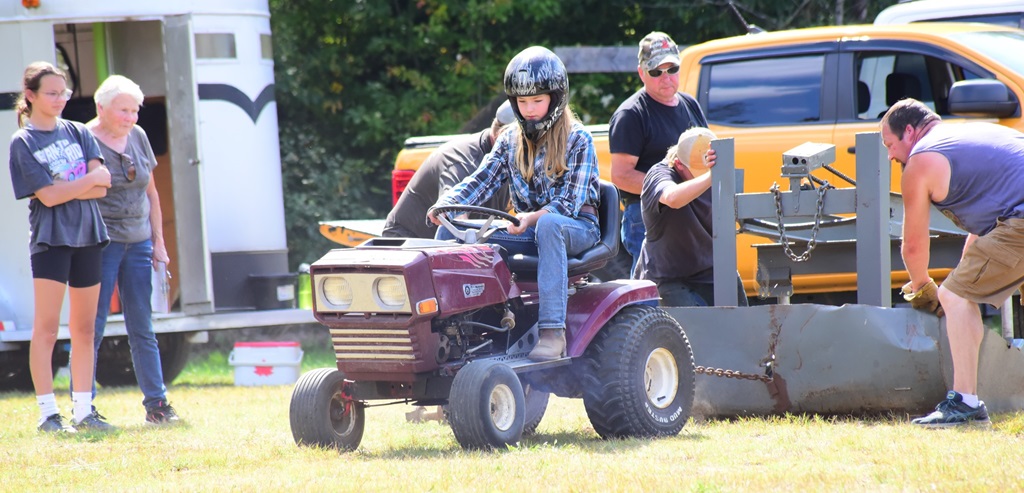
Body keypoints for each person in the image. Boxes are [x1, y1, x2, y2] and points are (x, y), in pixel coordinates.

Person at [429, 46, 600, 361]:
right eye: (523, 102)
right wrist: (447, 205)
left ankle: (553, 332)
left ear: (556, 98)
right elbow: (480, 181)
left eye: (537, 100)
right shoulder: (509, 140)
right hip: (525, 228)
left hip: (575, 228)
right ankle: (445, 325)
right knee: (454, 232)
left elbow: (570, 203)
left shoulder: (579, 140)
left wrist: (533, 218)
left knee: (548, 224)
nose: (530, 109)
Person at [881, 98, 1024, 428]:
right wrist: (962, 277)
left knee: (955, 297)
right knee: (960, 291)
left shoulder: (920, 161)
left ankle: (964, 405)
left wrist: (923, 288)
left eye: (890, 144)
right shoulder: (969, 136)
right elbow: (986, 228)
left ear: (909, 131)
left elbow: (914, 248)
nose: (890, 156)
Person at [8, 61, 113, 433]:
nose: (59, 100)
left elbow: (104, 185)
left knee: (84, 329)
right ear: (31, 97)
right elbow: (49, 198)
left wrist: (79, 184)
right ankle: (47, 414)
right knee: (47, 329)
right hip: (51, 240)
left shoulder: (79, 132)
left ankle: (84, 411)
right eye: (51, 94)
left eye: (63, 93)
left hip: (89, 234)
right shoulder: (24, 141)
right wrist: (86, 180)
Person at [85, 75, 180, 425]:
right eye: (123, 110)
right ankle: (85, 406)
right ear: (101, 108)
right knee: (91, 327)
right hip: (102, 244)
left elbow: (151, 194)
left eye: (135, 111)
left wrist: (158, 242)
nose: (131, 118)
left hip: (139, 242)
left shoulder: (138, 136)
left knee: (142, 325)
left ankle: (157, 405)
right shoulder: (84, 139)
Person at [609, 31, 708, 272]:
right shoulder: (631, 114)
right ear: (641, 72)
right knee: (650, 291)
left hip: (690, 212)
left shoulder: (689, 104)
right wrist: (667, 190)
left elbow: (705, 155)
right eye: (656, 72)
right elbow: (621, 176)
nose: (666, 77)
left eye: (671, 69)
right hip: (646, 217)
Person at [634, 128, 747, 307]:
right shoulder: (660, 174)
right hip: (669, 276)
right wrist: (711, 177)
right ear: (679, 164)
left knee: (741, 327)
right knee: (693, 332)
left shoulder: (718, 171)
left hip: (712, 271)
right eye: (697, 172)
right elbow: (672, 198)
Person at [383, 101, 515, 238]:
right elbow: (455, 221)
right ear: (504, 136)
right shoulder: (462, 162)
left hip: (460, 241)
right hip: (410, 244)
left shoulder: (515, 160)